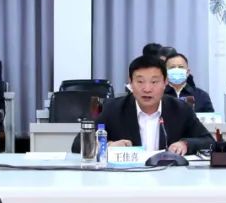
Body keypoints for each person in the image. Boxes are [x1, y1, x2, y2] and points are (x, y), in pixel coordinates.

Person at [71, 55, 213, 155]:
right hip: (126, 179)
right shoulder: (111, 109)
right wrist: (108, 146)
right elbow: (78, 144)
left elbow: (208, 141)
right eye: (140, 81)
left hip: (168, 178)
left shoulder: (181, 109)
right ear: (131, 83)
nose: (147, 89)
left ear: (165, 83)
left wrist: (185, 144)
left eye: (154, 82)